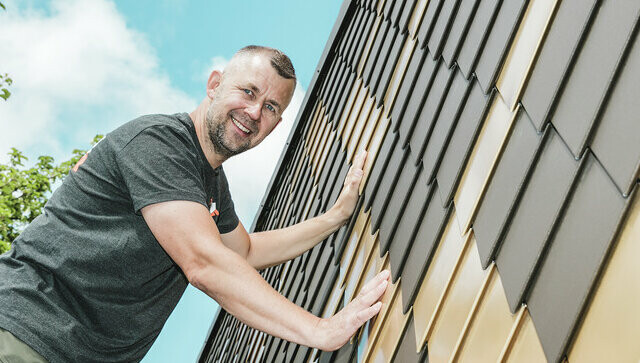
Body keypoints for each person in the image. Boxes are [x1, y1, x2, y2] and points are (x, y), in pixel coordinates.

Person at [0, 45, 390, 362]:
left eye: (271, 107)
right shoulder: (159, 144)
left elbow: (246, 251)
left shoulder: (209, 185)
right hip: (26, 333)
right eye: (249, 92)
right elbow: (204, 262)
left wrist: (336, 217)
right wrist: (320, 330)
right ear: (214, 84)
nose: (254, 113)